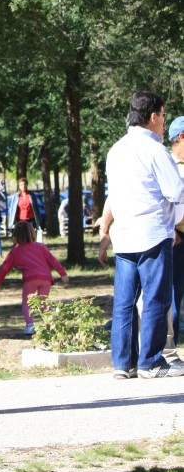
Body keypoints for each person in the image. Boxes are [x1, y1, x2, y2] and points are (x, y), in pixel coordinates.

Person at [98, 91, 184, 379]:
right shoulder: (155, 151)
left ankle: (124, 364)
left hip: (124, 235)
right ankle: (151, 362)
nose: (164, 123)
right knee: (156, 298)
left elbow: (113, 195)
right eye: (163, 115)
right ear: (153, 116)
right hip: (153, 234)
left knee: (124, 303)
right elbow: (176, 192)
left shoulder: (116, 150)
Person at [0, 221, 69, 335]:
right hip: (46, 279)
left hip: (30, 279)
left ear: (15, 235)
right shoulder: (40, 246)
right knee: (42, 301)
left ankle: (30, 326)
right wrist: (63, 274)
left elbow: (4, 268)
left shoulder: (15, 251)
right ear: (32, 233)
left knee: (27, 302)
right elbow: (52, 260)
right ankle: (51, 319)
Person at [168, 117, 184, 347]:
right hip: (177, 239)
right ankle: (169, 348)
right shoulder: (167, 164)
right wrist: (171, 230)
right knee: (173, 294)